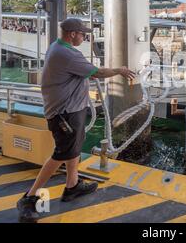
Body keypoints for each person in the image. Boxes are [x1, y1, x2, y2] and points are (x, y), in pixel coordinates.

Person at [17, 18, 135, 223]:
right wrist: (120, 70)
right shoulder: (66, 53)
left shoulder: (58, 47)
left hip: (72, 110)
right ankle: (29, 197)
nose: (85, 37)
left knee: (73, 149)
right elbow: (97, 72)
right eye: (83, 34)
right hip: (64, 114)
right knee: (61, 153)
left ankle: (72, 186)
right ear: (72, 34)